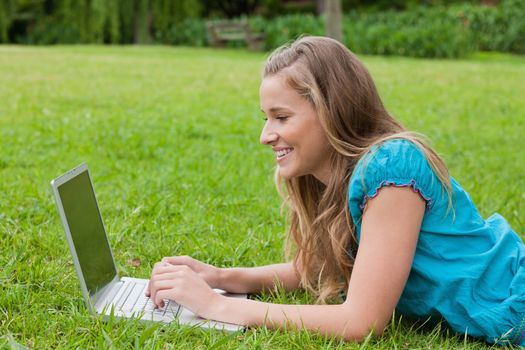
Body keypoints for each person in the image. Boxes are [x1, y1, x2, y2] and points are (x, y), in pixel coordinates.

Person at [145, 36, 525, 346]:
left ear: (331, 110)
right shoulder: (338, 176)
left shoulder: (392, 165)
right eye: (266, 119)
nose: (265, 136)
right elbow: (319, 269)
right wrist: (222, 277)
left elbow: (360, 320)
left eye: (281, 117)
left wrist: (217, 307)